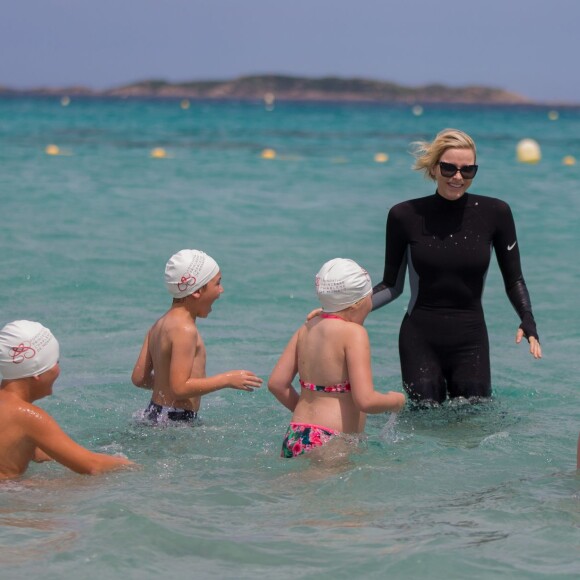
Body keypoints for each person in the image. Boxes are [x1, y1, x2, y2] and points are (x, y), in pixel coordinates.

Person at [372, 128, 542, 404]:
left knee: (473, 424)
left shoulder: (496, 213)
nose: (458, 177)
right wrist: (347, 311)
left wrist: (527, 317)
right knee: (424, 423)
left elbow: (514, 280)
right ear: (434, 167)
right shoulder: (404, 215)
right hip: (419, 338)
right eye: (449, 168)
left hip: (471, 341)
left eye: (468, 170)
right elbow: (391, 285)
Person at [269, 258, 406, 459]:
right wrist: (396, 400)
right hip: (331, 440)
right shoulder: (354, 333)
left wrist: (309, 422)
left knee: (293, 489)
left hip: (296, 434)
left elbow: (277, 384)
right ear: (358, 302)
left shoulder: (306, 328)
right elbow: (365, 401)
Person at [131, 249, 262, 424]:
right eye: (217, 283)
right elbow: (180, 388)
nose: (221, 290)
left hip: (154, 412)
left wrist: (166, 388)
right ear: (197, 291)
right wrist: (228, 379)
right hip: (175, 420)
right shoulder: (186, 330)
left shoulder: (159, 324)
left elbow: (139, 378)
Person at [0, 320, 134, 480]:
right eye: (56, 362)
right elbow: (92, 466)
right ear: (36, 372)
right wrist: (132, 466)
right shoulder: (27, 416)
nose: (59, 370)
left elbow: (34, 451)